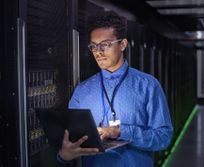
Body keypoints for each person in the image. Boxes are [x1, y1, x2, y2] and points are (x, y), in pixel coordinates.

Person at [57, 11, 173, 167]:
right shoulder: (82, 91)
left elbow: (163, 138)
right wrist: (64, 156)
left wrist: (120, 132)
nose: (98, 51)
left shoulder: (148, 86)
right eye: (94, 46)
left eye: (105, 44)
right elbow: (70, 140)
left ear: (123, 44)